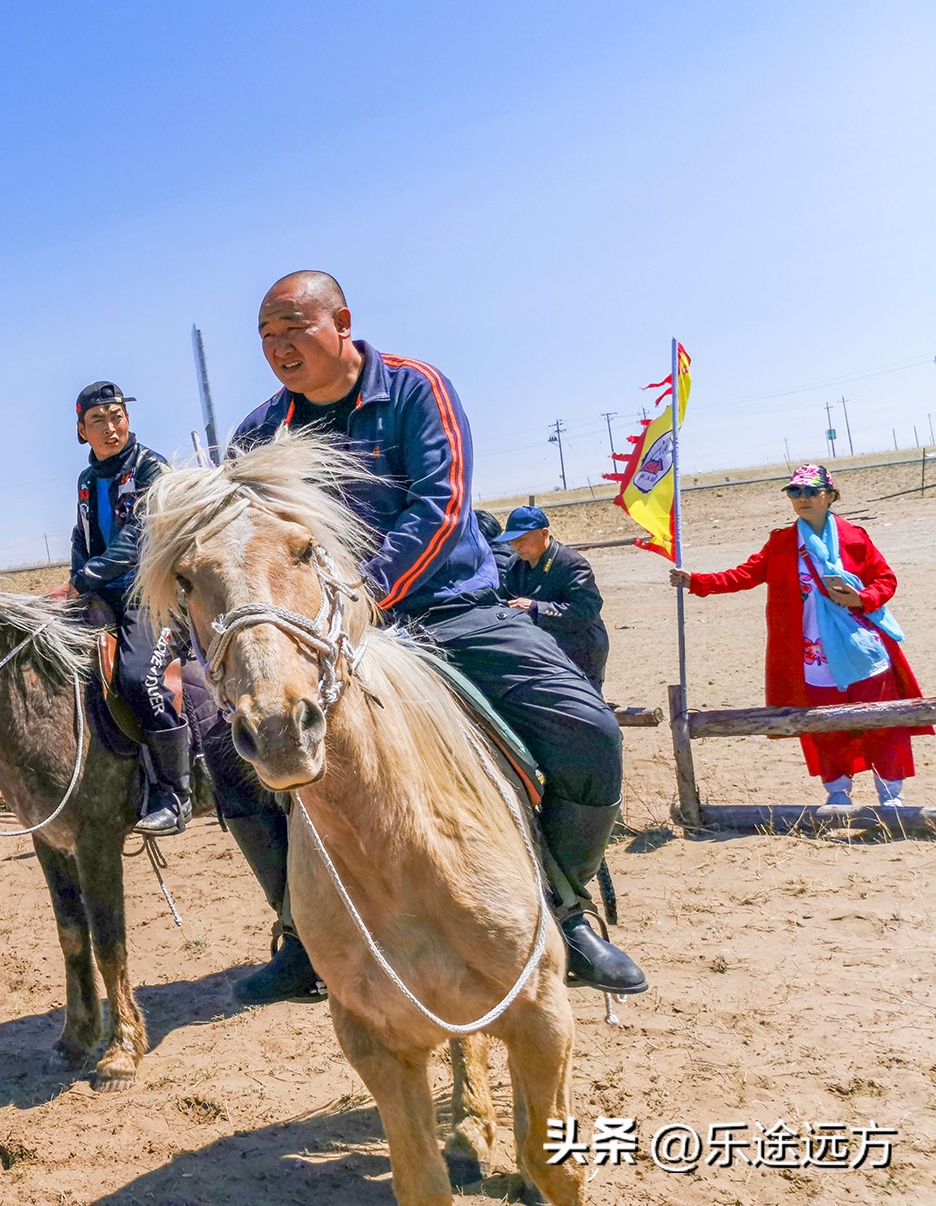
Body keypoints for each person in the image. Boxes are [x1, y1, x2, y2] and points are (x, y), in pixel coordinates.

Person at [225, 269, 646, 995]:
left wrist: (368, 591)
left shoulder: (416, 389)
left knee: (588, 729)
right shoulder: (260, 433)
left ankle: (564, 908)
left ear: (342, 321)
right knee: (225, 751)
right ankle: (300, 929)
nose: (278, 347)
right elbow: (247, 538)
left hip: (447, 609)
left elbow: (440, 504)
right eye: (266, 335)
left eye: (293, 328)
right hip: (323, 633)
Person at [671, 464, 925, 811]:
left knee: (882, 721)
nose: (802, 498)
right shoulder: (782, 543)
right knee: (825, 726)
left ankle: (891, 796)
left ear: (830, 496)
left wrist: (861, 599)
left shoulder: (855, 537)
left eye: (810, 491)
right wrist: (696, 581)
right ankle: (837, 794)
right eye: (795, 492)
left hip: (865, 651)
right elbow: (744, 575)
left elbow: (886, 580)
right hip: (812, 655)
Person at [66, 381, 193, 836]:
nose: (110, 427)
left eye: (117, 416)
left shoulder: (150, 469)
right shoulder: (85, 480)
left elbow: (139, 537)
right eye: (97, 420)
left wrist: (87, 575)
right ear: (82, 430)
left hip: (149, 595)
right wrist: (80, 577)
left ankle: (176, 797)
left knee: (140, 679)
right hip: (101, 594)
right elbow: (81, 537)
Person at [495, 505, 610, 691]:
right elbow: (505, 599)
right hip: (544, 648)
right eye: (512, 541)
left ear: (544, 533)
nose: (517, 546)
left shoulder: (571, 563)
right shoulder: (514, 565)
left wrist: (535, 608)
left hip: (582, 648)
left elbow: (585, 611)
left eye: (522, 539)